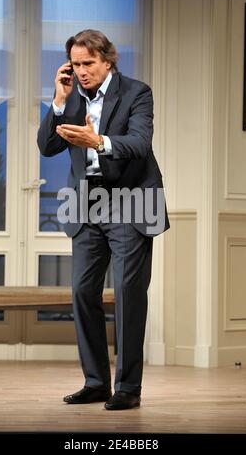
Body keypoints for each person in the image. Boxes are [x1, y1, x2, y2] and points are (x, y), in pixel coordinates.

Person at [37, 29, 169, 410]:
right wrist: (59, 102)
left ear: (108, 60)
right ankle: (96, 381)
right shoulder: (72, 98)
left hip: (131, 202)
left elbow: (139, 143)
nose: (81, 71)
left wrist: (98, 142)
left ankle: (127, 388)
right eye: (75, 64)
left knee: (128, 295)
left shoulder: (136, 92)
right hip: (87, 204)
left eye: (88, 63)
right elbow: (47, 147)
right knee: (81, 292)